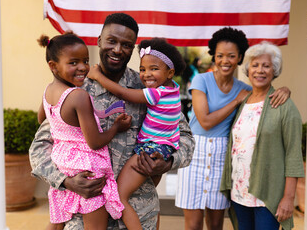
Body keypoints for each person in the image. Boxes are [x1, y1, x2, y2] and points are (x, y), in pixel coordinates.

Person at [29, 13, 195, 230]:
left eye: (126, 45)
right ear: (99, 41)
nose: (118, 49)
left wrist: (169, 161)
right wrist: (66, 181)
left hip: (138, 213)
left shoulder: (149, 86)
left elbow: (185, 138)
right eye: (111, 41)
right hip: (83, 215)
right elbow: (39, 148)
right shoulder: (74, 89)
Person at [175, 27, 290, 230]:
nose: (225, 61)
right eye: (219, 56)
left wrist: (284, 89)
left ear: (239, 57)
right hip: (195, 154)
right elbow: (205, 121)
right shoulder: (202, 80)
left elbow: (264, 92)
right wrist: (235, 102)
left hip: (222, 156)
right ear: (214, 56)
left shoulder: (245, 88)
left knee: (216, 223)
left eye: (231, 56)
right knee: (192, 225)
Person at [88, 37, 186, 230]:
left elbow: (125, 94)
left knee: (120, 197)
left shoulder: (156, 92)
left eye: (154, 69)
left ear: (170, 72)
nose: (146, 74)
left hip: (149, 151)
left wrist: (98, 77)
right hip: (162, 148)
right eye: (143, 69)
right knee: (137, 192)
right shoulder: (172, 90)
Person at [37, 32, 132, 230]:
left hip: (64, 163)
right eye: (73, 62)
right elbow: (95, 142)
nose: (82, 67)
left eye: (85, 61)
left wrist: (64, 131)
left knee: (56, 223)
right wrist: (116, 127)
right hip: (87, 169)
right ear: (53, 66)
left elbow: (42, 120)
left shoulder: (48, 91)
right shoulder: (78, 96)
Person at [220, 42, 305, 230]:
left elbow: (293, 155)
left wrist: (288, 198)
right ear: (248, 69)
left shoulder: (285, 106)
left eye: (266, 66)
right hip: (239, 193)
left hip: (266, 196)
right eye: (255, 65)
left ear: (274, 70)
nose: (260, 70)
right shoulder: (243, 101)